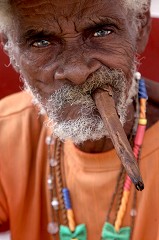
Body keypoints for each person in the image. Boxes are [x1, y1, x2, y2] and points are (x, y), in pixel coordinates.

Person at [0, 0, 159, 240]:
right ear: (9, 46)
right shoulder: (7, 131)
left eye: (101, 31)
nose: (77, 72)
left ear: (141, 24)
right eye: (42, 42)